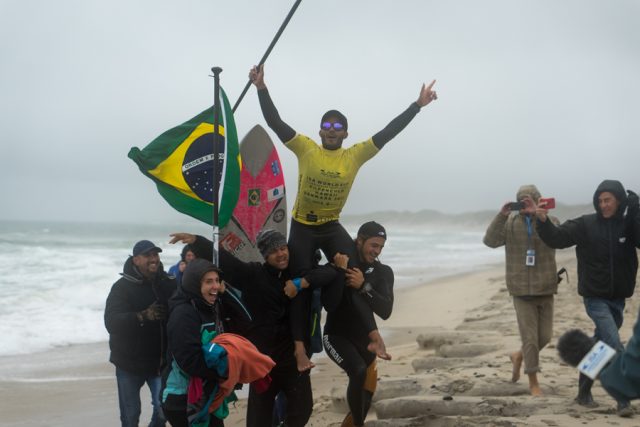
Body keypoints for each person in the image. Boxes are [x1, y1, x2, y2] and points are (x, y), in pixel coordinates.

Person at [248, 64, 437, 278]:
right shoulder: (306, 148)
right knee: (297, 281)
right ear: (320, 131)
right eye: (327, 126)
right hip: (302, 226)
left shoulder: (354, 156)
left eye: (338, 127)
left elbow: (388, 132)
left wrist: (417, 105)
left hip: (331, 226)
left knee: (354, 271)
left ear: (346, 134)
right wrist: (261, 87)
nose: (331, 129)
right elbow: (275, 122)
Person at [169, 230, 345, 427]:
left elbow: (326, 273)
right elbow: (227, 262)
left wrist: (302, 281)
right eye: (274, 251)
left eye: (283, 248)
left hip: (292, 358)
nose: (281, 254)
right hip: (262, 360)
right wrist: (198, 241)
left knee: (303, 409)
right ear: (265, 255)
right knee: (258, 419)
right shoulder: (253, 275)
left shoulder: (296, 273)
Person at [536, 179, 640, 415]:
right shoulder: (585, 224)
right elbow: (558, 238)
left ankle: (583, 392)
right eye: (600, 200)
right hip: (595, 297)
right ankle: (623, 398)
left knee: (601, 347)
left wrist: (636, 212)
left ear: (619, 200)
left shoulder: (628, 225)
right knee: (614, 344)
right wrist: (543, 222)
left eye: (608, 200)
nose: (603, 205)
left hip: (618, 298)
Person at [162, 258, 263, 427]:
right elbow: (189, 360)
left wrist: (226, 292)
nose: (215, 285)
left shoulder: (212, 306)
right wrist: (227, 372)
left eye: (217, 280)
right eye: (209, 281)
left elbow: (246, 321)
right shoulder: (183, 313)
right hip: (183, 399)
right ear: (194, 284)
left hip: (209, 393)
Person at [483, 185, 559, 396]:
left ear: (537, 200)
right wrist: (501, 215)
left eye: (529, 200)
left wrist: (539, 215)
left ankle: (518, 356)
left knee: (545, 337)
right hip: (520, 290)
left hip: (545, 287)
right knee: (530, 339)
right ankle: (533, 381)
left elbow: (559, 237)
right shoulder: (510, 224)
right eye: (521, 201)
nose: (525, 204)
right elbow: (489, 241)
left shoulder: (549, 221)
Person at [322, 221, 394, 427]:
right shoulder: (342, 265)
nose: (377, 251)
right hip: (335, 337)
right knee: (357, 371)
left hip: (366, 343)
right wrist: (337, 272)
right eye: (373, 245)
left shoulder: (383, 272)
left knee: (363, 404)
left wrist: (364, 285)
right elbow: (329, 303)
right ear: (360, 241)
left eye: (380, 246)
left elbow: (386, 311)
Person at [104, 240, 177, 427]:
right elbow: (111, 323)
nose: (153, 259)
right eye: (148, 256)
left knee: (163, 410)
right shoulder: (121, 287)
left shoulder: (169, 283)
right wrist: (142, 316)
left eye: (156, 255)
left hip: (160, 363)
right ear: (136, 260)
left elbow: (181, 310)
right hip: (129, 364)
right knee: (130, 416)